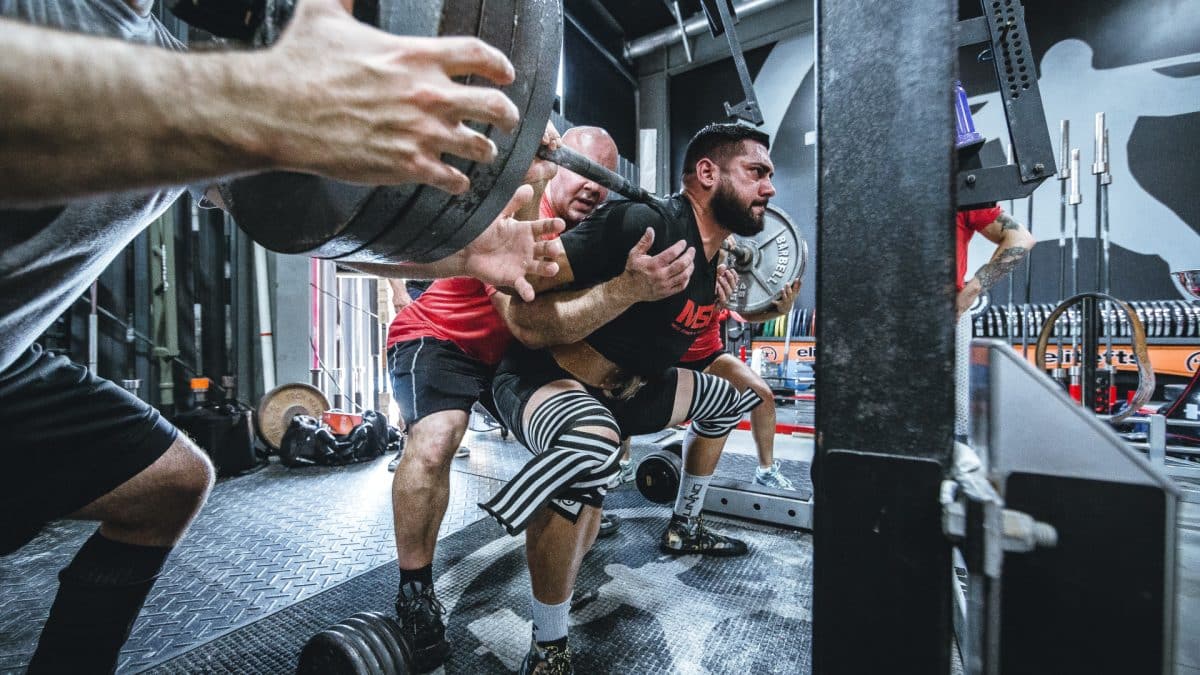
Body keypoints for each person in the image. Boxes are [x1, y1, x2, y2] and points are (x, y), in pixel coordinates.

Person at [0, 1, 563, 671]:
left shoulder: (174, 63)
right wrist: (263, 101)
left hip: (10, 363)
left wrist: (467, 253)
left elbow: (323, 240)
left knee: (167, 484)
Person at [381, 126, 694, 672]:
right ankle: (414, 593)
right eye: (585, 171)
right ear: (558, 165)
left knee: (597, 442)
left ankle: (559, 578)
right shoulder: (522, 210)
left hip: (506, 365)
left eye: (605, 178)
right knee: (438, 439)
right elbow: (522, 319)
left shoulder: (587, 235)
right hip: (441, 338)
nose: (595, 188)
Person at [485, 122, 776, 673]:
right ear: (708, 174)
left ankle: (684, 524)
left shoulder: (712, 259)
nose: (770, 188)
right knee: (586, 447)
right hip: (546, 376)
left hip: (630, 393)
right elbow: (523, 280)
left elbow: (674, 336)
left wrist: (722, 299)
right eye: (756, 172)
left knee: (729, 399)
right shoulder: (643, 223)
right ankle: (547, 647)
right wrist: (626, 287)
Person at [675, 276, 802, 489]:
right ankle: (623, 463)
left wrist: (781, 310)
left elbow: (743, 313)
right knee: (624, 391)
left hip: (709, 356)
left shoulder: (724, 275)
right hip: (668, 357)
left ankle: (766, 472)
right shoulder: (680, 267)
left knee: (762, 395)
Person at [953, 205, 1035, 446]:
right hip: (884, 320)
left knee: (956, 424)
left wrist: (970, 293)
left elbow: (1020, 238)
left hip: (947, 319)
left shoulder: (957, 190)